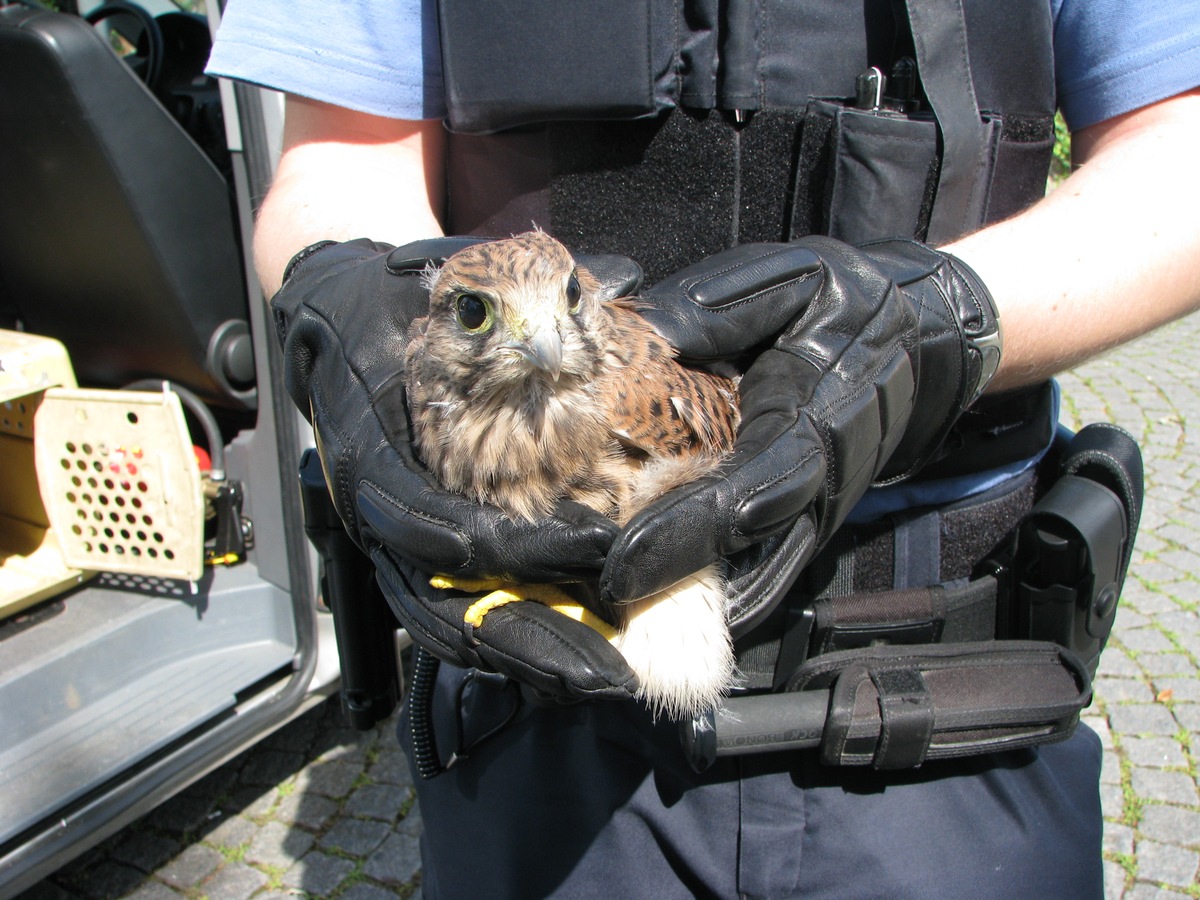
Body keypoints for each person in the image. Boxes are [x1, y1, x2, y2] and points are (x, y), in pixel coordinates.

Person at [208, 2, 1200, 896]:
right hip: (534, 706)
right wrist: (362, 324)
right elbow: (334, 161)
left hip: (952, 689)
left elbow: (1181, 155)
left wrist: (933, 322)